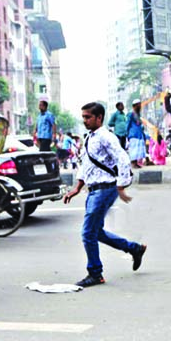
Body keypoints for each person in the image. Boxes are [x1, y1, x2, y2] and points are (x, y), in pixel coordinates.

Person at [63, 102, 146, 288]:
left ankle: (95, 273)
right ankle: (135, 248)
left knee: (87, 233)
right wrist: (77, 187)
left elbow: (123, 158)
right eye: (83, 117)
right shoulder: (90, 138)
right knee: (96, 232)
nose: (84, 120)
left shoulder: (106, 137)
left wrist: (122, 185)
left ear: (99, 117)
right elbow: (87, 166)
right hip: (94, 190)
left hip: (104, 189)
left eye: (88, 117)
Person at [126, 99, 146, 168]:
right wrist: (127, 134)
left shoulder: (138, 114)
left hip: (139, 134)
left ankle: (136, 163)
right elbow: (127, 124)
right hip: (133, 134)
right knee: (134, 149)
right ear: (134, 106)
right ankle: (133, 163)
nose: (140, 106)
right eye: (138, 105)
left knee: (138, 149)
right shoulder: (130, 114)